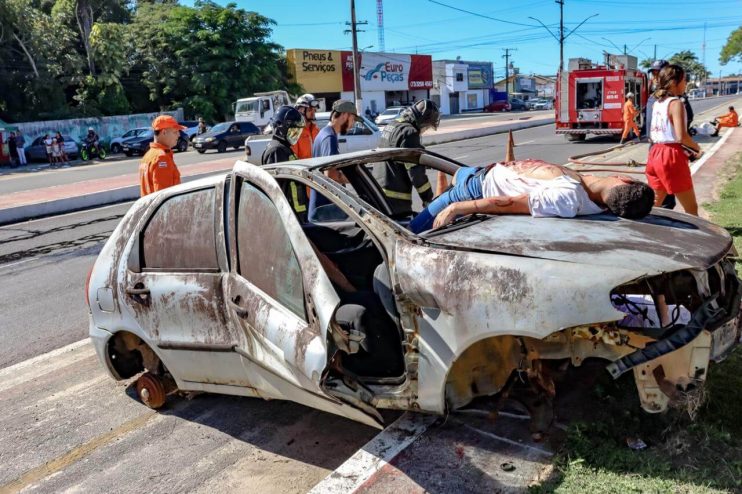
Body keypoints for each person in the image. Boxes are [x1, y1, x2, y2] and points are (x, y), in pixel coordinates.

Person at [409, 159, 655, 233]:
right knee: (427, 160)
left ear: (624, 179)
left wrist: (460, 208)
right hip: (479, 173)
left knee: (409, 232)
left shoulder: (568, 198)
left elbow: (511, 204)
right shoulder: (593, 193)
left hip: (473, 192)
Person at [645, 64, 702, 216]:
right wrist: (697, 148)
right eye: (684, 80)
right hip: (671, 157)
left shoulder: (656, 103)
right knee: (691, 209)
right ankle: (696, 238)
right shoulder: (676, 103)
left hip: (655, 153)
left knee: (653, 206)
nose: (686, 83)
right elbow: (681, 136)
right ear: (674, 82)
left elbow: (652, 132)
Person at [375, 99, 440, 216]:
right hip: (396, 201)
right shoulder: (410, 133)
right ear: (422, 120)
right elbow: (416, 174)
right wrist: (428, 199)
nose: (425, 130)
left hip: (378, 194)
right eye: (427, 126)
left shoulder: (392, 125)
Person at [308, 99, 358, 218]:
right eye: (353, 119)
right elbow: (331, 174)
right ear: (345, 115)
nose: (353, 124)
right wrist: (355, 179)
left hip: (323, 209)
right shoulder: (329, 137)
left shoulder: (325, 134)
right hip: (325, 211)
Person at [260, 105, 308, 221]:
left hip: (297, 215)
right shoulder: (276, 151)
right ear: (281, 128)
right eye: (293, 131)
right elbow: (278, 189)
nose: (296, 136)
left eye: (298, 132)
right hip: (290, 218)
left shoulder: (284, 148)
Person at [139, 115, 186, 197]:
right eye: (175, 132)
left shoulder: (148, 155)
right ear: (164, 132)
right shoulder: (161, 158)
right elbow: (164, 196)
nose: (178, 135)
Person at [292, 93, 320, 159]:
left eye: (314, 110)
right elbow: (293, 160)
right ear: (301, 110)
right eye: (310, 110)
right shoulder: (294, 132)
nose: (313, 113)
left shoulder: (316, 130)